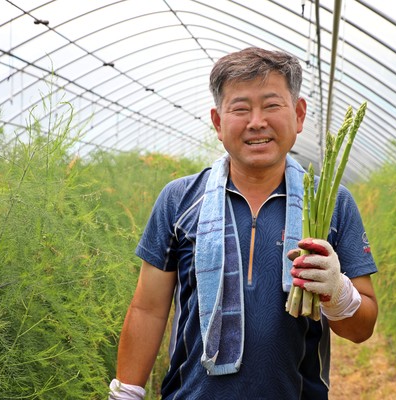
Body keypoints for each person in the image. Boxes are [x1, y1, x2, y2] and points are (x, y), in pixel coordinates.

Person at [109, 47, 378, 399]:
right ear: (218, 122)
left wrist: (338, 293)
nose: (256, 122)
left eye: (271, 105)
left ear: (298, 115)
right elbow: (148, 308)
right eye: (240, 108)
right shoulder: (180, 200)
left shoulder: (331, 202)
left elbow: (362, 329)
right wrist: (127, 391)